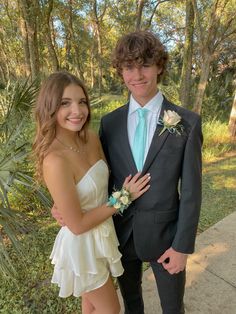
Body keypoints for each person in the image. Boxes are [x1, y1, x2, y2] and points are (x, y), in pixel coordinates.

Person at [98, 30, 203, 314]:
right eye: (128, 67)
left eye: (144, 64)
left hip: (167, 239)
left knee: (173, 307)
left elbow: (192, 193)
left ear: (159, 66)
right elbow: (101, 179)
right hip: (122, 236)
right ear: (120, 71)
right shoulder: (110, 124)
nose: (137, 74)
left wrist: (182, 247)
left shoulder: (187, 123)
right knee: (132, 306)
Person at [33, 71, 151, 314]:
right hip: (82, 246)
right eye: (65, 103)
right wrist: (124, 197)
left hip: (103, 234)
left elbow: (99, 184)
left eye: (82, 101)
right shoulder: (54, 159)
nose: (77, 111)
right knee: (111, 309)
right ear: (50, 107)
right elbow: (77, 225)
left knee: (90, 306)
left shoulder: (90, 138)